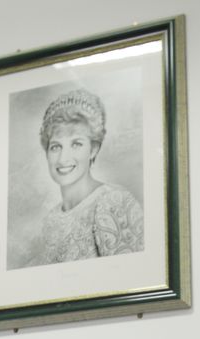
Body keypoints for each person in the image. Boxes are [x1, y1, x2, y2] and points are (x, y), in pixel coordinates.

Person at [35, 88, 143, 265]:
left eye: (76, 144)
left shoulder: (113, 202)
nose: (63, 158)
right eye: (55, 146)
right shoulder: (50, 220)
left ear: (93, 149)